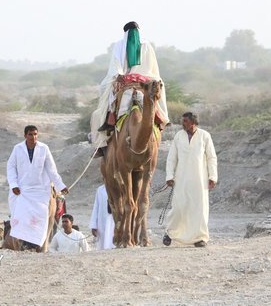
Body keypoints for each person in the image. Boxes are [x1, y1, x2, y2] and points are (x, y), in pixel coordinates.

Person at [90, 21, 170, 154]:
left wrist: (120, 75)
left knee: (99, 106)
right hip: (137, 79)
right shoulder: (138, 45)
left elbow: (116, 66)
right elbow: (151, 68)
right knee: (105, 90)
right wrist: (121, 75)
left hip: (137, 81)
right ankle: (161, 119)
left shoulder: (129, 45)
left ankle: (102, 140)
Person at [7, 125, 69, 250]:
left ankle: (36, 243)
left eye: (35, 134)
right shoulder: (17, 149)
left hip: (40, 190)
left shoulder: (44, 148)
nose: (33, 137)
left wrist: (60, 185)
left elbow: (51, 169)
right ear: (25, 135)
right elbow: (11, 167)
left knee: (40, 216)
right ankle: (22, 242)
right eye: (30, 134)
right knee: (21, 215)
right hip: (22, 190)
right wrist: (14, 184)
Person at [163, 112, 218, 248]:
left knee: (199, 209)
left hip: (200, 180)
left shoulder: (205, 136)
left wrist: (213, 176)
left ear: (193, 122)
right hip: (181, 179)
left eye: (186, 121)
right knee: (178, 207)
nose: (183, 124)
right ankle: (170, 233)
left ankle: (200, 238)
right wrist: (169, 176)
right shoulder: (178, 136)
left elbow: (211, 157)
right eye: (183, 121)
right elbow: (171, 158)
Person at [89, 183, 115, 250]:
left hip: (114, 219)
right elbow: (96, 206)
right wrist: (93, 225)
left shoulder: (118, 186)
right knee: (103, 242)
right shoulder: (100, 189)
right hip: (102, 220)